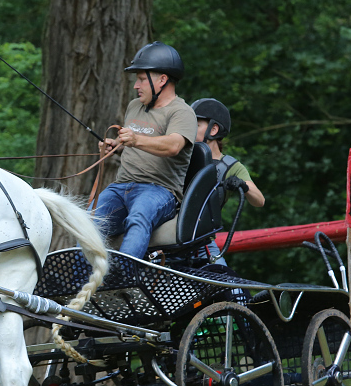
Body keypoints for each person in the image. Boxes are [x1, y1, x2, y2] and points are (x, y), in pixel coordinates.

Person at [91, 41, 197, 260]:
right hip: (121, 187)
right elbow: (135, 147)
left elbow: (174, 145)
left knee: (139, 215)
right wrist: (116, 147)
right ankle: (81, 284)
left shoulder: (182, 112)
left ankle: (124, 280)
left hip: (160, 191)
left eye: (141, 79)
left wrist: (136, 139)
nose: (135, 86)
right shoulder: (134, 106)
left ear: (162, 80)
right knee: (88, 222)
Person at [191, 98, 264, 264]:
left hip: (203, 245)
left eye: (196, 125)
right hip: (170, 243)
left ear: (214, 129)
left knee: (229, 287)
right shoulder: (179, 158)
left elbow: (259, 200)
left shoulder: (231, 167)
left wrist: (242, 184)